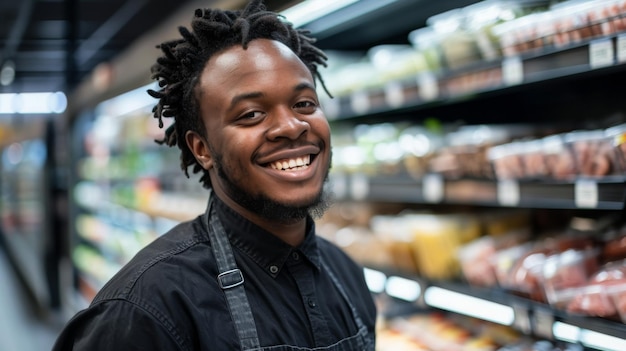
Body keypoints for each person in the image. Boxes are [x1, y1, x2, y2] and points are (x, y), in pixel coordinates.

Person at [52, 0, 377, 350]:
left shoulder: (346, 273)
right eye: (251, 114)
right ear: (202, 149)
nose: (291, 126)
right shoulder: (143, 310)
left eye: (304, 104)